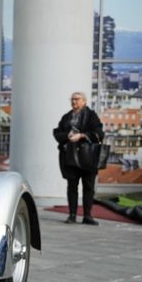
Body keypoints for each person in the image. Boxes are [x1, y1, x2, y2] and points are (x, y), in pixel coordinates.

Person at [53, 91, 104, 225]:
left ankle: (87, 216)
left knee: (88, 187)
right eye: (72, 99)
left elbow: (99, 134)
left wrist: (81, 135)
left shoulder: (91, 116)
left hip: (88, 158)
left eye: (77, 99)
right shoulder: (66, 117)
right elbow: (57, 133)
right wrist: (67, 135)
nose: (74, 101)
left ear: (84, 101)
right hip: (70, 157)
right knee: (72, 187)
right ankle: (72, 215)